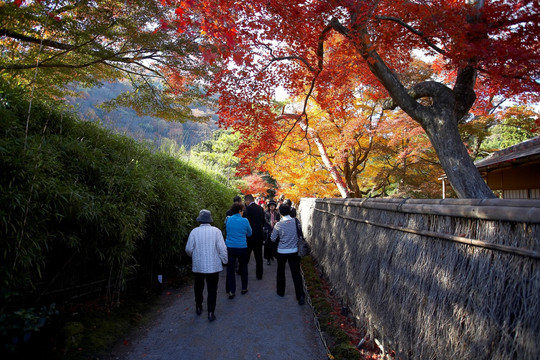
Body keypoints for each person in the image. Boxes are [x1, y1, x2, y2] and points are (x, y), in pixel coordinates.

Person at [185, 209, 228, 321]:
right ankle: (210, 313)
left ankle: (199, 307)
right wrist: (225, 260)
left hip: (198, 266)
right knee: (212, 289)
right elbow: (222, 249)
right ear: (210, 220)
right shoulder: (216, 231)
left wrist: (193, 256)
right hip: (213, 266)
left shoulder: (194, 231)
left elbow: (188, 249)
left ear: (199, 220)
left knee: (198, 288)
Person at [270, 204, 306, 305]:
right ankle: (300, 296)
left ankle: (281, 292)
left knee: (280, 272)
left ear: (280, 213)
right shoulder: (296, 221)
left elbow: (272, 238)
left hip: (282, 251)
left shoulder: (279, 224)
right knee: (296, 273)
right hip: (294, 251)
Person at [225, 203, 252, 299]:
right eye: (242, 210)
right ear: (240, 210)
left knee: (230, 269)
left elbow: (227, 230)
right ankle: (244, 288)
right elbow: (249, 233)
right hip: (242, 247)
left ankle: (232, 291)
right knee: (244, 267)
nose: (243, 212)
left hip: (230, 247)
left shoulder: (228, 219)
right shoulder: (245, 220)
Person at [243, 194, 266, 280]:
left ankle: (243, 272)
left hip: (249, 236)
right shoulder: (260, 209)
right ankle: (259, 275)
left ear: (247, 200)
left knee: (247, 256)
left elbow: (245, 223)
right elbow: (263, 222)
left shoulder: (247, 209)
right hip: (259, 235)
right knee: (259, 256)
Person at [264, 200, 281, 265]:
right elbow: (265, 221)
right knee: (267, 245)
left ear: (275, 206)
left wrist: (276, 221)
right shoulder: (266, 212)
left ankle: (274, 256)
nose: (272, 206)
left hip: (275, 230)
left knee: (275, 244)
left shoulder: (277, 213)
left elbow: (279, 221)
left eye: (273, 205)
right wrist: (270, 223)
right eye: (270, 205)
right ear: (268, 206)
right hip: (268, 230)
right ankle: (268, 258)